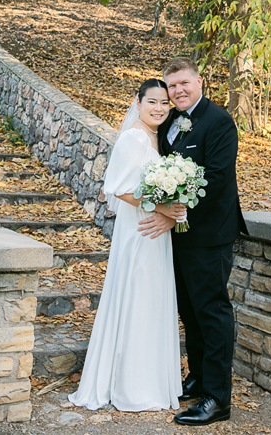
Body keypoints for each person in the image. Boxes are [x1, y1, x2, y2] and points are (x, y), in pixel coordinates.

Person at [138, 57, 248, 426]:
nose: (178, 91)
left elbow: (216, 179)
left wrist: (174, 211)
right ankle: (199, 377)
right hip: (179, 236)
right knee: (189, 310)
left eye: (184, 83)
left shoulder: (220, 121)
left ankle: (217, 399)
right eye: (172, 86)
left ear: (199, 81)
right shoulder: (169, 120)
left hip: (210, 234)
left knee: (212, 313)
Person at [68, 78, 186, 412]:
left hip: (154, 232)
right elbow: (117, 188)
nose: (160, 108)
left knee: (151, 298)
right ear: (137, 103)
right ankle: (131, 386)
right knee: (137, 296)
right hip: (139, 232)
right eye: (152, 102)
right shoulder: (134, 136)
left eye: (165, 103)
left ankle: (150, 381)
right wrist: (162, 208)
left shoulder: (157, 136)